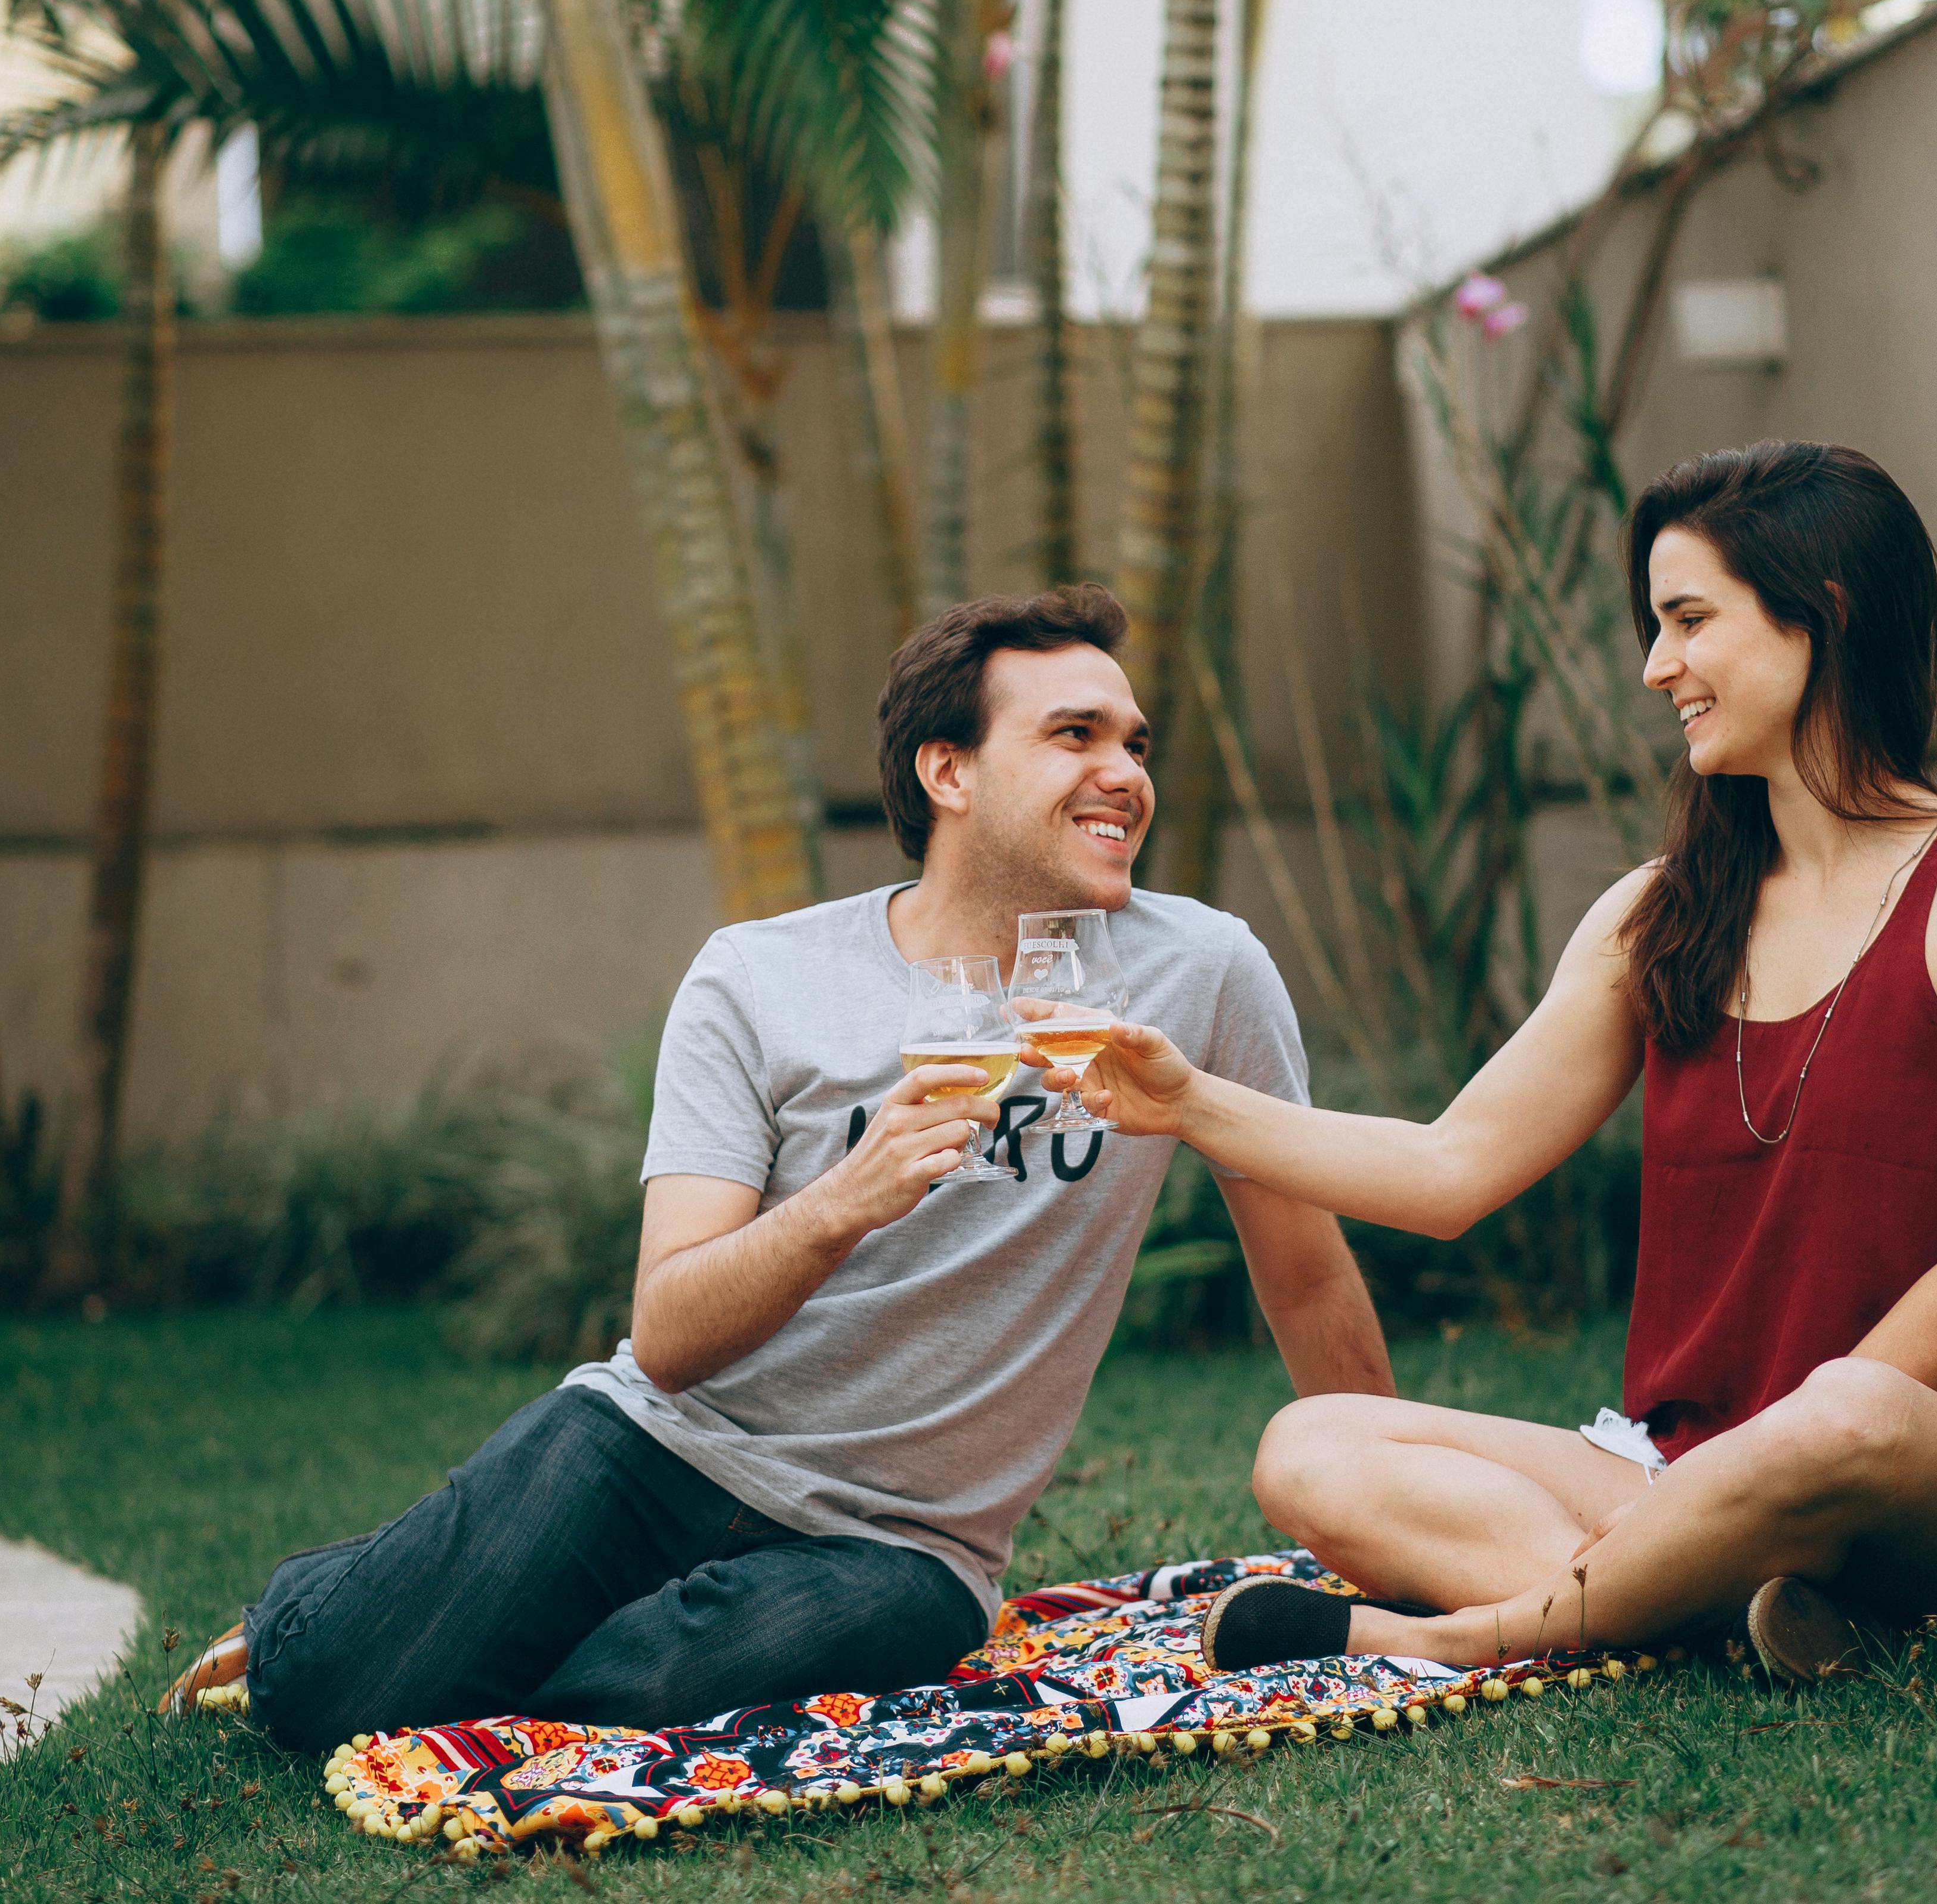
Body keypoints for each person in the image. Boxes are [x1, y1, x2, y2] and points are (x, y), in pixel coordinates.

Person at [162, 585, 1393, 1748]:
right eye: (1075, 735)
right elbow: (670, 1336)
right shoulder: (758, 977)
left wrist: (1392, 1530)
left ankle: (462, 1603)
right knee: (330, 1689)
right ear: (946, 770)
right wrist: (844, 1204)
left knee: (627, 1695)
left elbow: (1304, 1274)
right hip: (656, 1451)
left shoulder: (1201, 973)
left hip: (902, 1549)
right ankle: (336, 1605)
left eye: (1132, 742)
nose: (1124, 773)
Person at [1029, 444, 1937, 1683]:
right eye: (1656, 627)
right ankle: (1735, 1595)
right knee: (1309, 1448)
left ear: (1828, 617)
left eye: (1690, 621)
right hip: (1670, 1463)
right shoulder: (1660, 913)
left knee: (1851, 1418)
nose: (1658, 669)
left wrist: (1775, 1451)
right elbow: (1450, 1168)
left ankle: (1471, 1634)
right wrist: (1187, 1104)